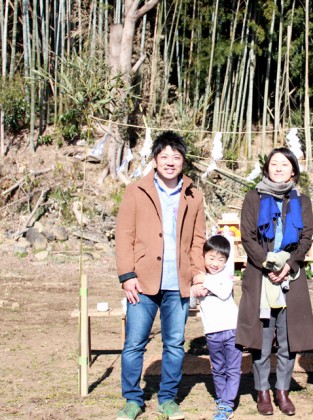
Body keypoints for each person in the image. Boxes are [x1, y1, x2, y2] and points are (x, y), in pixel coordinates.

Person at [115, 131, 206, 420]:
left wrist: (197, 275)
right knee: (134, 344)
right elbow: (123, 235)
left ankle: (167, 399)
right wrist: (127, 275)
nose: (170, 162)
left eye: (176, 157)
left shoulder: (194, 194)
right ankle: (132, 399)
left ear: (183, 162)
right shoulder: (136, 191)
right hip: (142, 282)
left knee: (175, 344)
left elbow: (198, 240)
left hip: (177, 283)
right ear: (155, 159)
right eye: (164, 156)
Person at [236, 147, 313, 416]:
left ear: (293, 170)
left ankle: (282, 391)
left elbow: (306, 237)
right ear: (267, 168)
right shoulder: (253, 197)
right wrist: (269, 264)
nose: (279, 168)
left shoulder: (302, 201)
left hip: (290, 277)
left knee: (288, 337)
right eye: (274, 164)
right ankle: (262, 391)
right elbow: (247, 236)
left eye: (284, 164)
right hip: (261, 275)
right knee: (262, 336)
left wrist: (289, 265)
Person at [190, 235, 242, 420]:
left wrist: (205, 281)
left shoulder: (226, 275)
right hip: (211, 332)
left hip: (231, 329)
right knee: (218, 368)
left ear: (226, 261)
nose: (215, 263)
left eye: (221, 260)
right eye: (211, 258)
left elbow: (224, 291)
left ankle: (227, 404)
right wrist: (196, 289)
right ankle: (221, 399)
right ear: (203, 257)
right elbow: (191, 301)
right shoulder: (198, 279)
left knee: (233, 368)